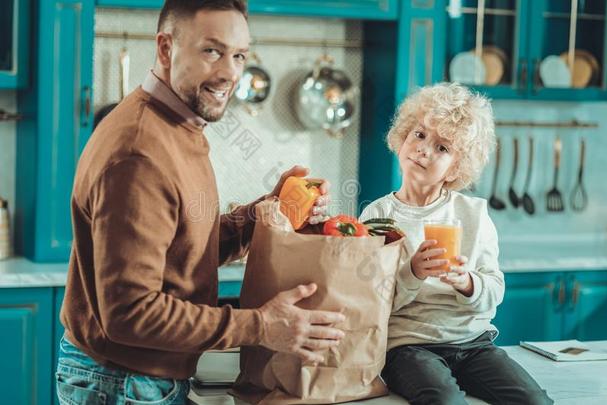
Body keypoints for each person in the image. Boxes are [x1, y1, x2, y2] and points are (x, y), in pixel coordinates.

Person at [56, 1, 345, 404]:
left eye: (239, 55)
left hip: (137, 379)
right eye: (212, 51)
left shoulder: (176, 125)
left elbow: (185, 245)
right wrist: (261, 326)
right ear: (165, 49)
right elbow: (130, 313)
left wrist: (263, 214)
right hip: (123, 383)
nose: (229, 72)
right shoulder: (140, 153)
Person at [360, 83, 552, 405]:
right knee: (445, 401)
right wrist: (412, 273)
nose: (424, 150)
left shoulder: (473, 213)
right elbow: (368, 300)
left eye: (442, 148)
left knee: (536, 401)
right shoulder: (379, 215)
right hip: (408, 346)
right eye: (419, 135)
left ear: (456, 168)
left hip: (474, 343)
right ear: (403, 136)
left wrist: (468, 283)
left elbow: (494, 288)